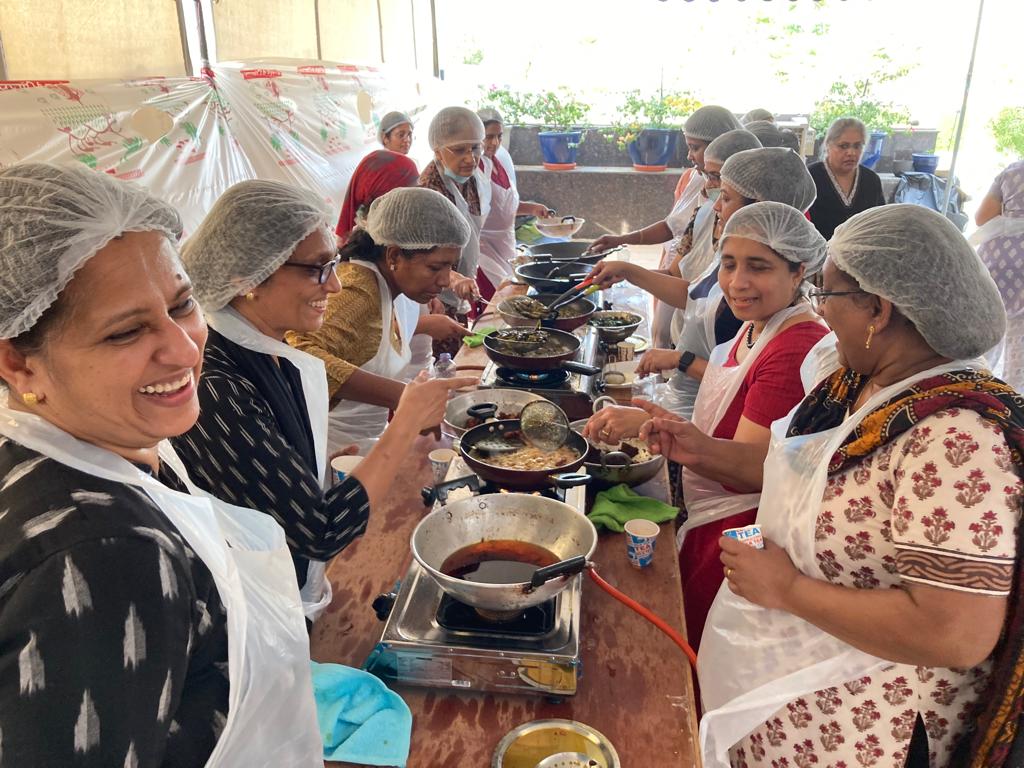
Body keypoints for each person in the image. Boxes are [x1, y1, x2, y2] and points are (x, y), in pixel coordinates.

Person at [0, 163, 325, 764]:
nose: (184, 348)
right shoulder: (103, 554)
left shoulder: (95, 441)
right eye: (125, 333)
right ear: (19, 364)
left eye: (182, 305)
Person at [690, 205, 1023, 768]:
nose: (820, 309)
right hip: (782, 690)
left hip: (862, 730)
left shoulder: (956, 439)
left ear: (877, 308)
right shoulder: (861, 383)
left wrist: (787, 589)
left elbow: (956, 632)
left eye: (828, 293)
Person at [174, 180, 475, 623]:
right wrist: (406, 418)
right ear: (250, 277)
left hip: (290, 592)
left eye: (332, 264)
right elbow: (323, 529)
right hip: (249, 617)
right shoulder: (215, 383)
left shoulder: (268, 351)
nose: (334, 285)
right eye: (318, 268)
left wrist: (311, 471)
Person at [617, 202, 831, 649]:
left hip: (742, 531)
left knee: (700, 651)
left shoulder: (795, 345)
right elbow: (722, 424)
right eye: (729, 264)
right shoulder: (756, 326)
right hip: (710, 510)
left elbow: (752, 468)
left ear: (798, 272)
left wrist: (670, 435)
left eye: (759, 267)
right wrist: (658, 421)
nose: (737, 282)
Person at [587, 147, 817, 435]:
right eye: (730, 266)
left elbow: (746, 454)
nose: (716, 205)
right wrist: (628, 271)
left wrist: (680, 362)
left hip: (705, 433)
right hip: (693, 418)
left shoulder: (781, 323)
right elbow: (694, 295)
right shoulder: (735, 256)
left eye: (726, 196)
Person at [287, 187, 473, 452]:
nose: (444, 281)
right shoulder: (358, 291)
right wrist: (403, 396)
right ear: (395, 255)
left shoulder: (389, 287)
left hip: (365, 444)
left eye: (450, 267)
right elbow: (300, 355)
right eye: (435, 267)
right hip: (334, 451)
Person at [589, 105, 742, 348]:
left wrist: (629, 272)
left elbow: (695, 296)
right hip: (687, 341)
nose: (708, 186)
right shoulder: (702, 213)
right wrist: (626, 272)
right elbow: (676, 276)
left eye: (716, 179)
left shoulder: (745, 244)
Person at [418, 106, 490, 355]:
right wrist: (454, 279)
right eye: (459, 150)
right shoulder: (429, 190)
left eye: (475, 148)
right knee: (444, 361)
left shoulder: (471, 176)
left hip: (461, 283)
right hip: (434, 294)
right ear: (437, 151)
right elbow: (422, 258)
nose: (470, 158)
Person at [476, 107, 553, 300]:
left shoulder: (499, 161)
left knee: (512, 294)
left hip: (505, 242)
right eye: (489, 137)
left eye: (499, 136)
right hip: (484, 249)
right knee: (494, 304)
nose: (495, 143)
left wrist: (533, 208)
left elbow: (504, 206)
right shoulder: (475, 168)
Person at [973, 159, 1024, 391]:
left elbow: (982, 217)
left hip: (997, 259)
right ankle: (1014, 400)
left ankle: (975, 389)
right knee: (1020, 343)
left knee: (987, 331)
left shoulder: (1014, 170)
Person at [808, 116, 886, 240]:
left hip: (862, 255)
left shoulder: (871, 180)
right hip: (818, 254)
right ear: (828, 145)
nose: (851, 153)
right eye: (843, 146)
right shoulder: (810, 177)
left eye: (857, 146)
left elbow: (880, 223)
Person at [335, 149, 419, 243]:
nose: (417, 197)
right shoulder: (371, 247)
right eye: (409, 191)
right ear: (383, 198)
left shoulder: (400, 232)